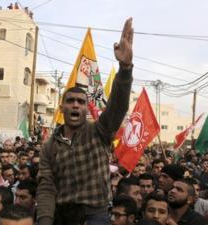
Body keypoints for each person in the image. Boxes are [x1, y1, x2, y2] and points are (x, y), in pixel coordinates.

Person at [37, 18, 134, 225]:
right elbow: (47, 186)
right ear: (62, 107)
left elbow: (117, 107)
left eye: (80, 102)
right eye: (70, 101)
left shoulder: (99, 131)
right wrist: (45, 221)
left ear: (85, 107)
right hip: (62, 216)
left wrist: (125, 68)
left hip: (96, 215)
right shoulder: (49, 146)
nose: (75, 105)